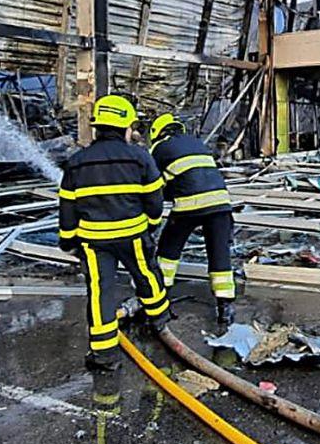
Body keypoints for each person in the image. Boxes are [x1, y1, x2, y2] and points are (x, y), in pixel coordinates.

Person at [58, 95, 170, 372]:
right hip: (133, 236)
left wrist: (68, 241)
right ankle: (159, 322)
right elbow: (155, 200)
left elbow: (68, 209)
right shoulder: (139, 158)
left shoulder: (77, 162)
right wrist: (152, 224)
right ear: (125, 128)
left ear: (98, 127)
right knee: (146, 276)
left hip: (95, 243)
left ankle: (104, 354)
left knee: (100, 292)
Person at [148, 113, 237, 325]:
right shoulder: (197, 143)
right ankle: (225, 308)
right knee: (219, 255)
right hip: (221, 204)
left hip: (190, 204)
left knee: (169, 250)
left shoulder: (159, 149)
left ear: (157, 133)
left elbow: (153, 187)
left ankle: (160, 297)